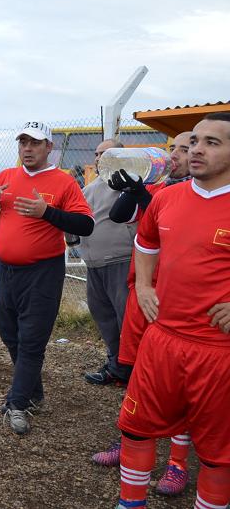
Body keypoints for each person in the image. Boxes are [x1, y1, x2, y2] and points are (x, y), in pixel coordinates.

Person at [115, 114, 230, 509]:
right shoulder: (166, 197)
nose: (197, 149)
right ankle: (130, 504)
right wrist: (145, 285)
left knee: (218, 453)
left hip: (218, 351)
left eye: (212, 143)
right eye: (195, 140)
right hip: (162, 339)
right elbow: (146, 242)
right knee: (135, 429)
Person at [91, 131, 195, 495]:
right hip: (143, 294)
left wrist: (143, 198)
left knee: (180, 385)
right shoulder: (162, 187)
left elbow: (177, 233)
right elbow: (122, 216)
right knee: (137, 373)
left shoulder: (202, 198)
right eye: (177, 148)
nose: (182, 154)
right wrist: (133, 191)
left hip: (178, 302)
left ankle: (177, 463)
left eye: (189, 147)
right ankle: (131, 440)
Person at [0, 121, 94, 435]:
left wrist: (47, 212)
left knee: (32, 340)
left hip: (43, 272)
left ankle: (17, 403)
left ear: (48, 148)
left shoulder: (63, 182)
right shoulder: (7, 176)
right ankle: (32, 391)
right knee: (9, 334)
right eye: (23, 142)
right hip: (6, 270)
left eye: (35, 143)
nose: (27, 148)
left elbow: (85, 225)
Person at [79, 139, 135, 386]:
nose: (99, 158)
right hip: (93, 264)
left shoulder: (131, 184)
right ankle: (116, 365)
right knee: (103, 316)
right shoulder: (90, 188)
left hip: (121, 261)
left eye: (106, 153)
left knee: (126, 318)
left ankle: (134, 370)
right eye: (97, 153)